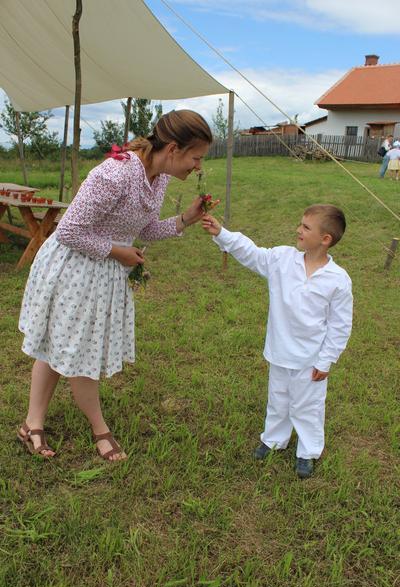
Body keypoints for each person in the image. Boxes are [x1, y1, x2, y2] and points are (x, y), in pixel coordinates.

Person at [17, 109, 217, 461]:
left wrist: (186, 218)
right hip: (74, 270)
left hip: (101, 272)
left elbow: (144, 230)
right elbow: (69, 231)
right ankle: (100, 429)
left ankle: (31, 424)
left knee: (59, 344)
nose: (198, 166)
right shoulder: (115, 174)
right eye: (196, 157)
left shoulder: (159, 178)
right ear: (174, 149)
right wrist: (117, 251)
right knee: (79, 351)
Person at [202, 204, 353, 478]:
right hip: (279, 352)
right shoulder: (283, 260)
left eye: (306, 227)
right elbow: (252, 253)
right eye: (300, 224)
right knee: (278, 401)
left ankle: (308, 451)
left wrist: (326, 360)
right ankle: (273, 440)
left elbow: (340, 325)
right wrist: (222, 234)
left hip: (311, 361)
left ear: (325, 239)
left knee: (307, 408)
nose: (298, 229)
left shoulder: (338, 280)